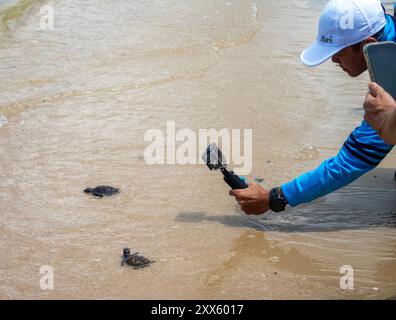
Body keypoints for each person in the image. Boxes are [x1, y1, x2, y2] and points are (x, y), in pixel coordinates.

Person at [230, 0, 396, 215]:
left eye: (338, 52)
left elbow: (356, 157)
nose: (333, 59)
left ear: (368, 44)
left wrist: (277, 197)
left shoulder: (390, 86)